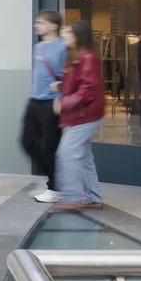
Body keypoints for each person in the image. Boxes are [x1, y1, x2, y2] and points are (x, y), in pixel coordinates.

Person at [52, 21, 106, 210]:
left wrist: (65, 102)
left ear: (78, 36)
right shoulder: (75, 56)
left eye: (68, 32)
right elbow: (79, 83)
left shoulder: (87, 57)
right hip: (82, 114)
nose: (64, 35)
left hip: (87, 114)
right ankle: (93, 197)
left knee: (66, 153)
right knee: (83, 157)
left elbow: (88, 90)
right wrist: (61, 86)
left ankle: (71, 197)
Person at [22, 11, 67, 202]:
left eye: (40, 22)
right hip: (34, 101)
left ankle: (55, 188)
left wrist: (61, 98)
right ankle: (57, 178)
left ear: (53, 26)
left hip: (52, 103)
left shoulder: (63, 48)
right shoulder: (38, 47)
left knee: (49, 146)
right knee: (26, 141)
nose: (36, 25)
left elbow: (69, 76)